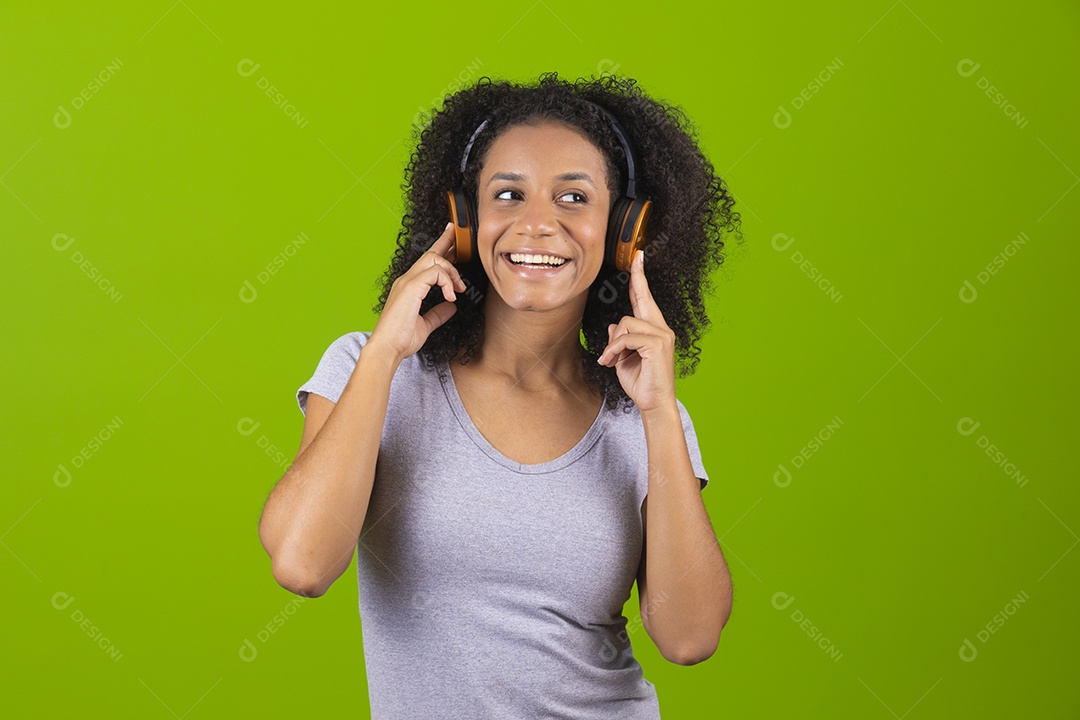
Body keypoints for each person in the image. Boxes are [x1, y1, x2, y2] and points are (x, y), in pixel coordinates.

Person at [258, 71, 741, 719]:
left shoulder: (646, 415)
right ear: (463, 220)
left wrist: (657, 413)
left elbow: (688, 637)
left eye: (573, 198)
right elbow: (302, 564)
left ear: (625, 231)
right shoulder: (367, 371)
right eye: (507, 194)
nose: (537, 224)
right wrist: (383, 352)